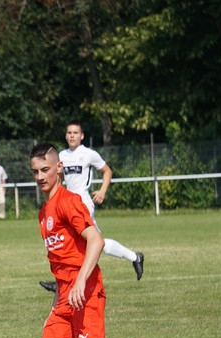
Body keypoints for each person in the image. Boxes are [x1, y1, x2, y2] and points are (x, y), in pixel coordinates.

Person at [30, 142, 192, 338]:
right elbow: (61, 267)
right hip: (65, 297)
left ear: (59, 168)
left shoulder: (68, 201)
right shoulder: (43, 214)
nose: (40, 176)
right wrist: (53, 307)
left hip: (86, 291)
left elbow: (96, 240)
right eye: (35, 171)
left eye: (45, 170)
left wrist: (81, 281)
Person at [39, 122, 144, 292]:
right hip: (66, 203)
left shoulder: (88, 154)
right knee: (77, 241)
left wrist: (102, 191)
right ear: (65, 135)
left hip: (83, 203)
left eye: (75, 132)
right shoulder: (61, 156)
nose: (72, 135)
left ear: (82, 136)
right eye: (69, 132)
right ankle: (134, 257)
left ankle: (64, 282)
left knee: (93, 241)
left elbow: (107, 171)